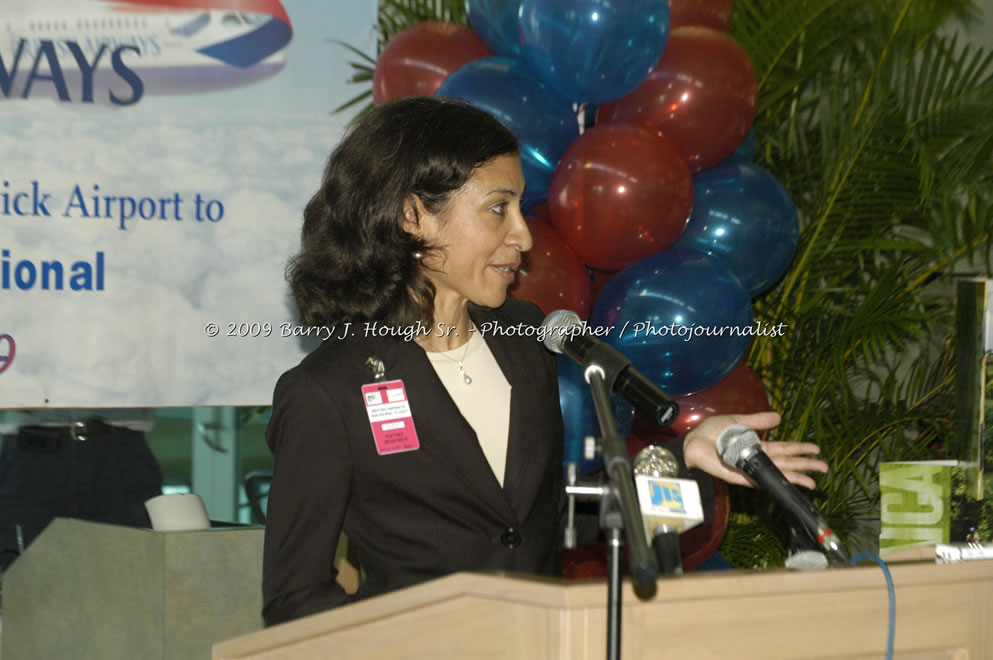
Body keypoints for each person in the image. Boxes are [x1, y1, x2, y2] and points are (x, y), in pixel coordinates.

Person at [262, 96, 828, 626]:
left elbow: (548, 519)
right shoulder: (326, 391)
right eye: (498, 209)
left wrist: (683, 461)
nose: (524, 236)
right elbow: (294, 599)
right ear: (414, 216)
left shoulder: (523, 340)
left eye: (520, 207)